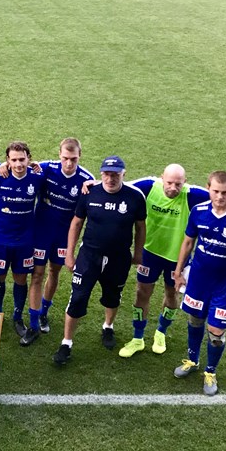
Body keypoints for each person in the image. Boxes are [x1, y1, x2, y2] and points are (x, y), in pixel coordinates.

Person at [118, 164, 226, 358]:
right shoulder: (149, 186)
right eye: (169, 183)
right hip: (150, 254)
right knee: (142, 293)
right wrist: (93, 183)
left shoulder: (192, 194)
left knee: (171, 294)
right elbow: (120, 186)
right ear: (162, 178)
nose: (173, 188)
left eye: (178, 184)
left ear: (185, 182)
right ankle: (137, 338)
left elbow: (224, 195)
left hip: (176, 259)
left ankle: (161, 332)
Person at [172, 171, 226, 395]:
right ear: (208, 189)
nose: (220, 196)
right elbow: (188, 242)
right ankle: (192, 360)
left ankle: (210, 371)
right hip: (198, 281)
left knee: (216, 332)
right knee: (194, 321)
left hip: (225, 285)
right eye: (216, 191)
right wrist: (178, 271)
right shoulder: (199, 211)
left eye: (225, 192)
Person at [54, 156, 146, 366]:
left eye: (115, 175)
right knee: (77, 298)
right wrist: (69, 254)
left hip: (119, 258)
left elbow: (140, 227)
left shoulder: (135, 196)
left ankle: (108, 327)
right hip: (89, 256)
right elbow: (76, 223)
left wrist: (138, 253)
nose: (110, 179)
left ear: (123, 174)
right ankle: (66, 343)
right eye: (106, 174)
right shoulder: (89, 192)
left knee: (113, 296)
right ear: (101, 173)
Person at [25, 138, 94, 343]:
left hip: (64, 236)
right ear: (59, 155)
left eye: (73, 159)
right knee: (37, 275)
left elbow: (106, 189)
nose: (69, 163)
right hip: (41, 232)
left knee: (54, 271)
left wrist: (97, 183)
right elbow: (20, 164)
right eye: (65, 158)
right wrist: (4, 165)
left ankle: (44, 311)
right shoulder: (46, 168)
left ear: (80, 156)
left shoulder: (86, 179)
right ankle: (34, 324)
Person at [0, 142, 43, 343]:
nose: (18, 164)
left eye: (22, 159)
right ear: (8, 160)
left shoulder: (38, 177)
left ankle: (17, 317)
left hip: (25, 240)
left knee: (20, 278)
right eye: (14, 160)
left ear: (29, 159)